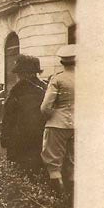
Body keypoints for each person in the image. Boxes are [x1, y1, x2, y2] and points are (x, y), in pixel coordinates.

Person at [0, 54, 47, 173]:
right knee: (39, 171)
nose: (18, 76)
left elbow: (8, 116)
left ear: (23, 73)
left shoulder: (17, 90)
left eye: (19, 73)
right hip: (40, 138)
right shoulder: (44, 88)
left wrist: (5, 138)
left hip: (19, 141)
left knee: (21, 172)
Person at [41, 44, 75, 196]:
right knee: (74, 163)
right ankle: (73, 203)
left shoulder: (58, 79)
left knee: (54, 165)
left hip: (57, 125)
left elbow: (45, 107)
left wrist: (54, 115)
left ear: (62, 62)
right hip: (78, 125)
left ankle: (59, 201)